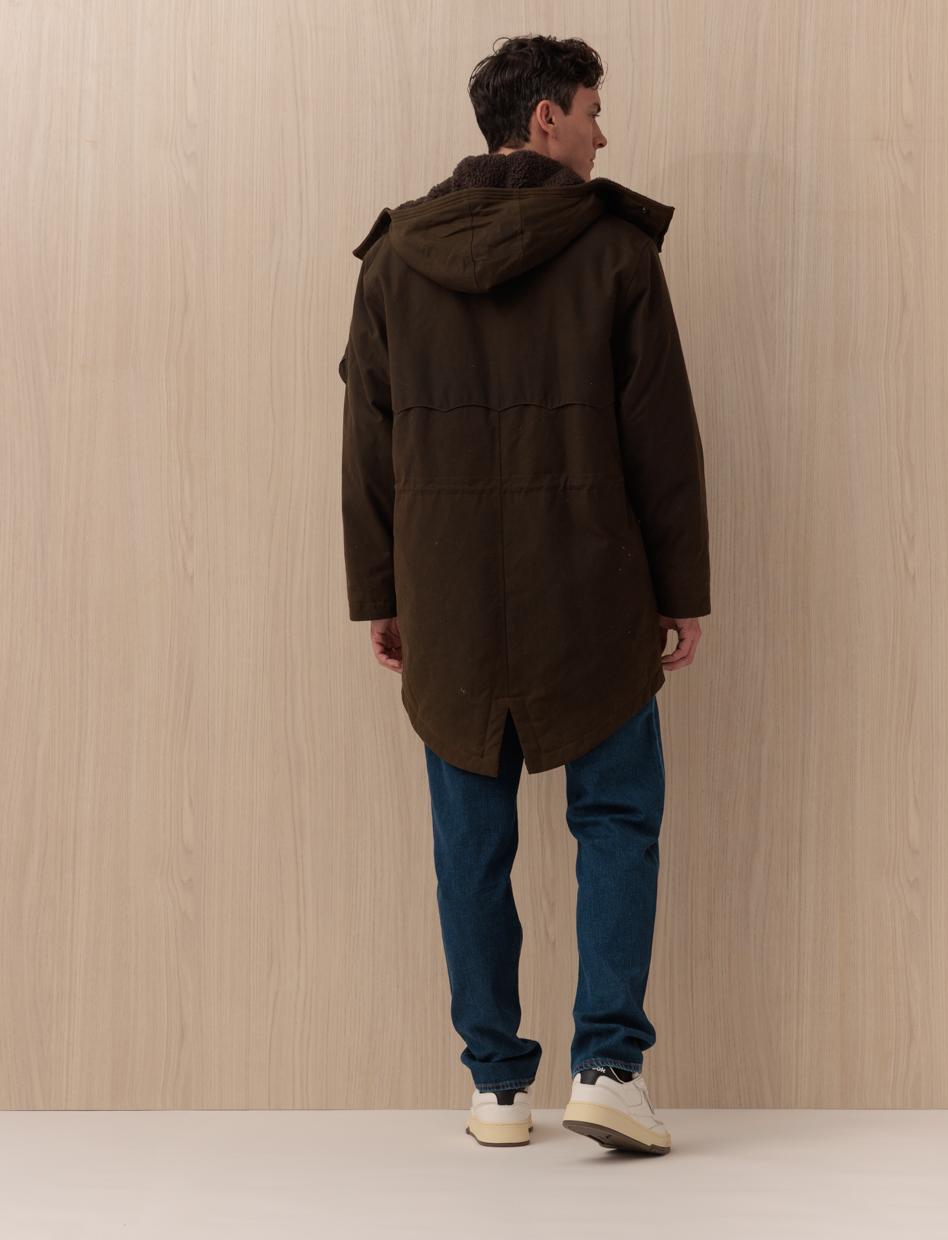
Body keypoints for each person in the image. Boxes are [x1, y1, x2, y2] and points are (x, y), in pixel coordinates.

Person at [338, 34, 710, 1155]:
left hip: (448, 596)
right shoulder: (615, 253)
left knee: (469, 841)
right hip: (593, 590)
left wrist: (380, 592)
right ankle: (608, 1070)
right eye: (592, 110)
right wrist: (681, 590)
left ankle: (496, 1088)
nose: (602, 133)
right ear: (544, 118)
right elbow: (662, 440)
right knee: (617, 820)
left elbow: (367, 442)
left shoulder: (394, 258)